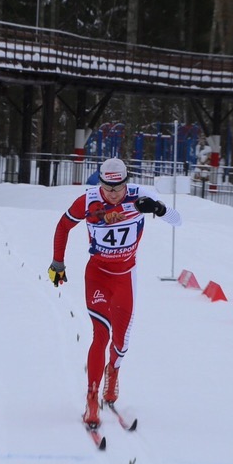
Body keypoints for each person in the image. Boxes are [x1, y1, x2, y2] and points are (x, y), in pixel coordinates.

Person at [48, 157, 181, 427]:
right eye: (107, 188)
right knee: (101, 334)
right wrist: (57, 262)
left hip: (125, 278)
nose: (112, 194)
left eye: (117, 188)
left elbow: (178, 221)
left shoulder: (140, 196)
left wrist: (157, 208)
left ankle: (114, 373)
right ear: (100, 184)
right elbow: (63, 226)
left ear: (126, 182)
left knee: (121, 343)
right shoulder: (87, 201)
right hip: (97, 275)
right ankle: (92, 400)